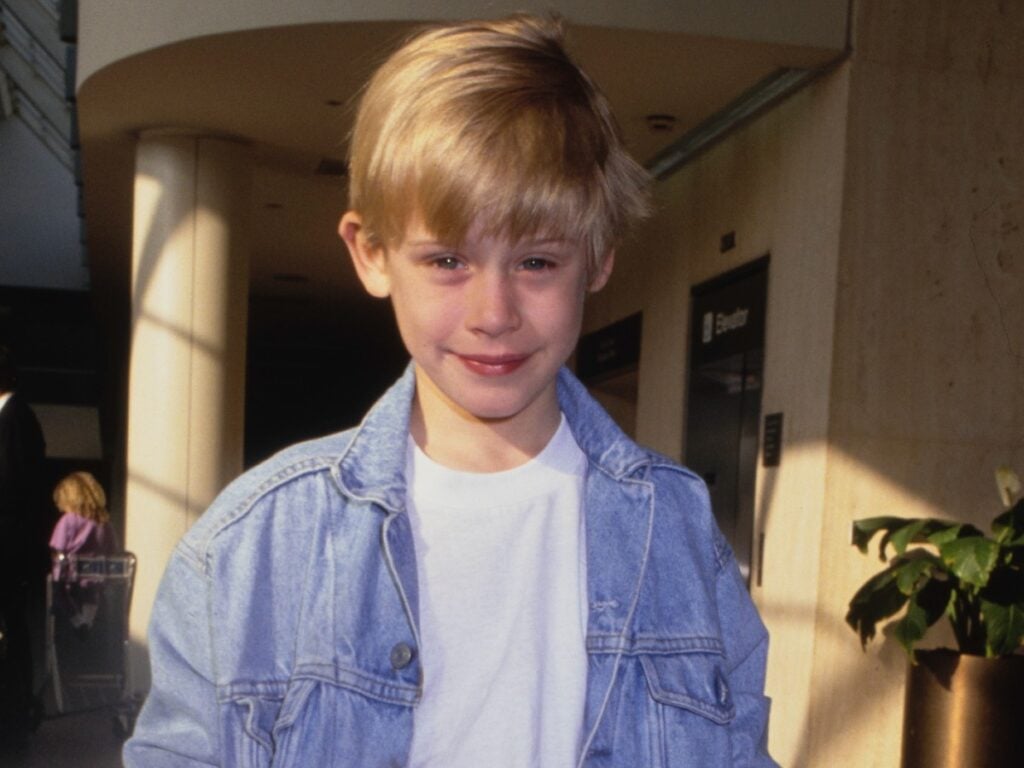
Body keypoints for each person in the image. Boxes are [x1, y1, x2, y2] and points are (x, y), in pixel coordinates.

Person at [125, 14, 776, 766]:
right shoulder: (251, 547)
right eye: (446, 262)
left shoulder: (678, 530)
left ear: (597, 259)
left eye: (536, 263)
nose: (492, 315)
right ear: (370, 254)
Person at [0, 346, 47, 747]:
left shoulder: (13, 419)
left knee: (13, 634)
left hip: (9, 552)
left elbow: (11, 486)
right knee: (14, 632)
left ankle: (14, 717)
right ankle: (14, 715)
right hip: (13, 550)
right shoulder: (18, 417)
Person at [50, 471, 119, 629]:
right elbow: (112, 551)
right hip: (97, 584)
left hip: (71, 585)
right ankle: (87, 622)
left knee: (61, 600)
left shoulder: (67, 521)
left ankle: (77, 622)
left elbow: (58, 551)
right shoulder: (104, 523)